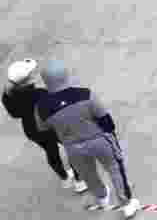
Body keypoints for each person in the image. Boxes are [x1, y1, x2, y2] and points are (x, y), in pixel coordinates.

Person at [35, 60, 141, 217]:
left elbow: (43, 129)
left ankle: (101, 197)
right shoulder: (85, 94)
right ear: (65, 75)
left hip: (73, 147)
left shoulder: (41, 107)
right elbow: (106, 120)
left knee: (88, 174)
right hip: (99, 140)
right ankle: (126, 203)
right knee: (115, 168)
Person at [4, 59, 88, 194]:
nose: (34, 74)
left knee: (51, 151)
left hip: (32, 130)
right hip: (52, 126)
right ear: (26, 80)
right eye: (31, 73)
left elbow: (15, 114)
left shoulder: (7, 96)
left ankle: (64, 178)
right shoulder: (40, 94)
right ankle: (79, 181)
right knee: (71, 146)